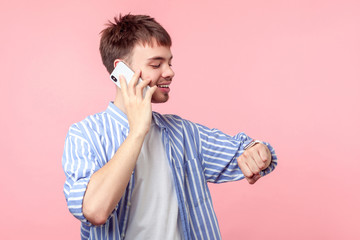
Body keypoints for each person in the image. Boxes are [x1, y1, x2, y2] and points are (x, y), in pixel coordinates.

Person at [62, 14, 277, 240]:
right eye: (156, 64)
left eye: (169, 63)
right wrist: (137, 131)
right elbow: (95, 211)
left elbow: (249, 150)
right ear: (121, 72)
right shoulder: (85, 135)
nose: (170, 72)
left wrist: (259, 152)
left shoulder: (183, 133)